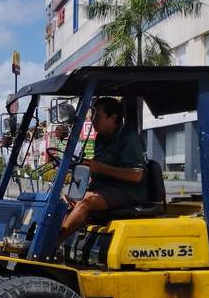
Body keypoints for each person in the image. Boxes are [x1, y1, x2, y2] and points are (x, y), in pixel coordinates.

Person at [58, 97, 146, 243]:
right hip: (106, 188)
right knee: (66, 198)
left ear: (112, 118)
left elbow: (136, 175)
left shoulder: (128, 137)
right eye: (92, 116)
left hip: (127, 191)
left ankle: (53, 244)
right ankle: (53, 240)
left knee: (86, 200)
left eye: (97, 116)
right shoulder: (101, 138)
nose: (93, 121)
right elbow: (98, 168)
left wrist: (99, 167)